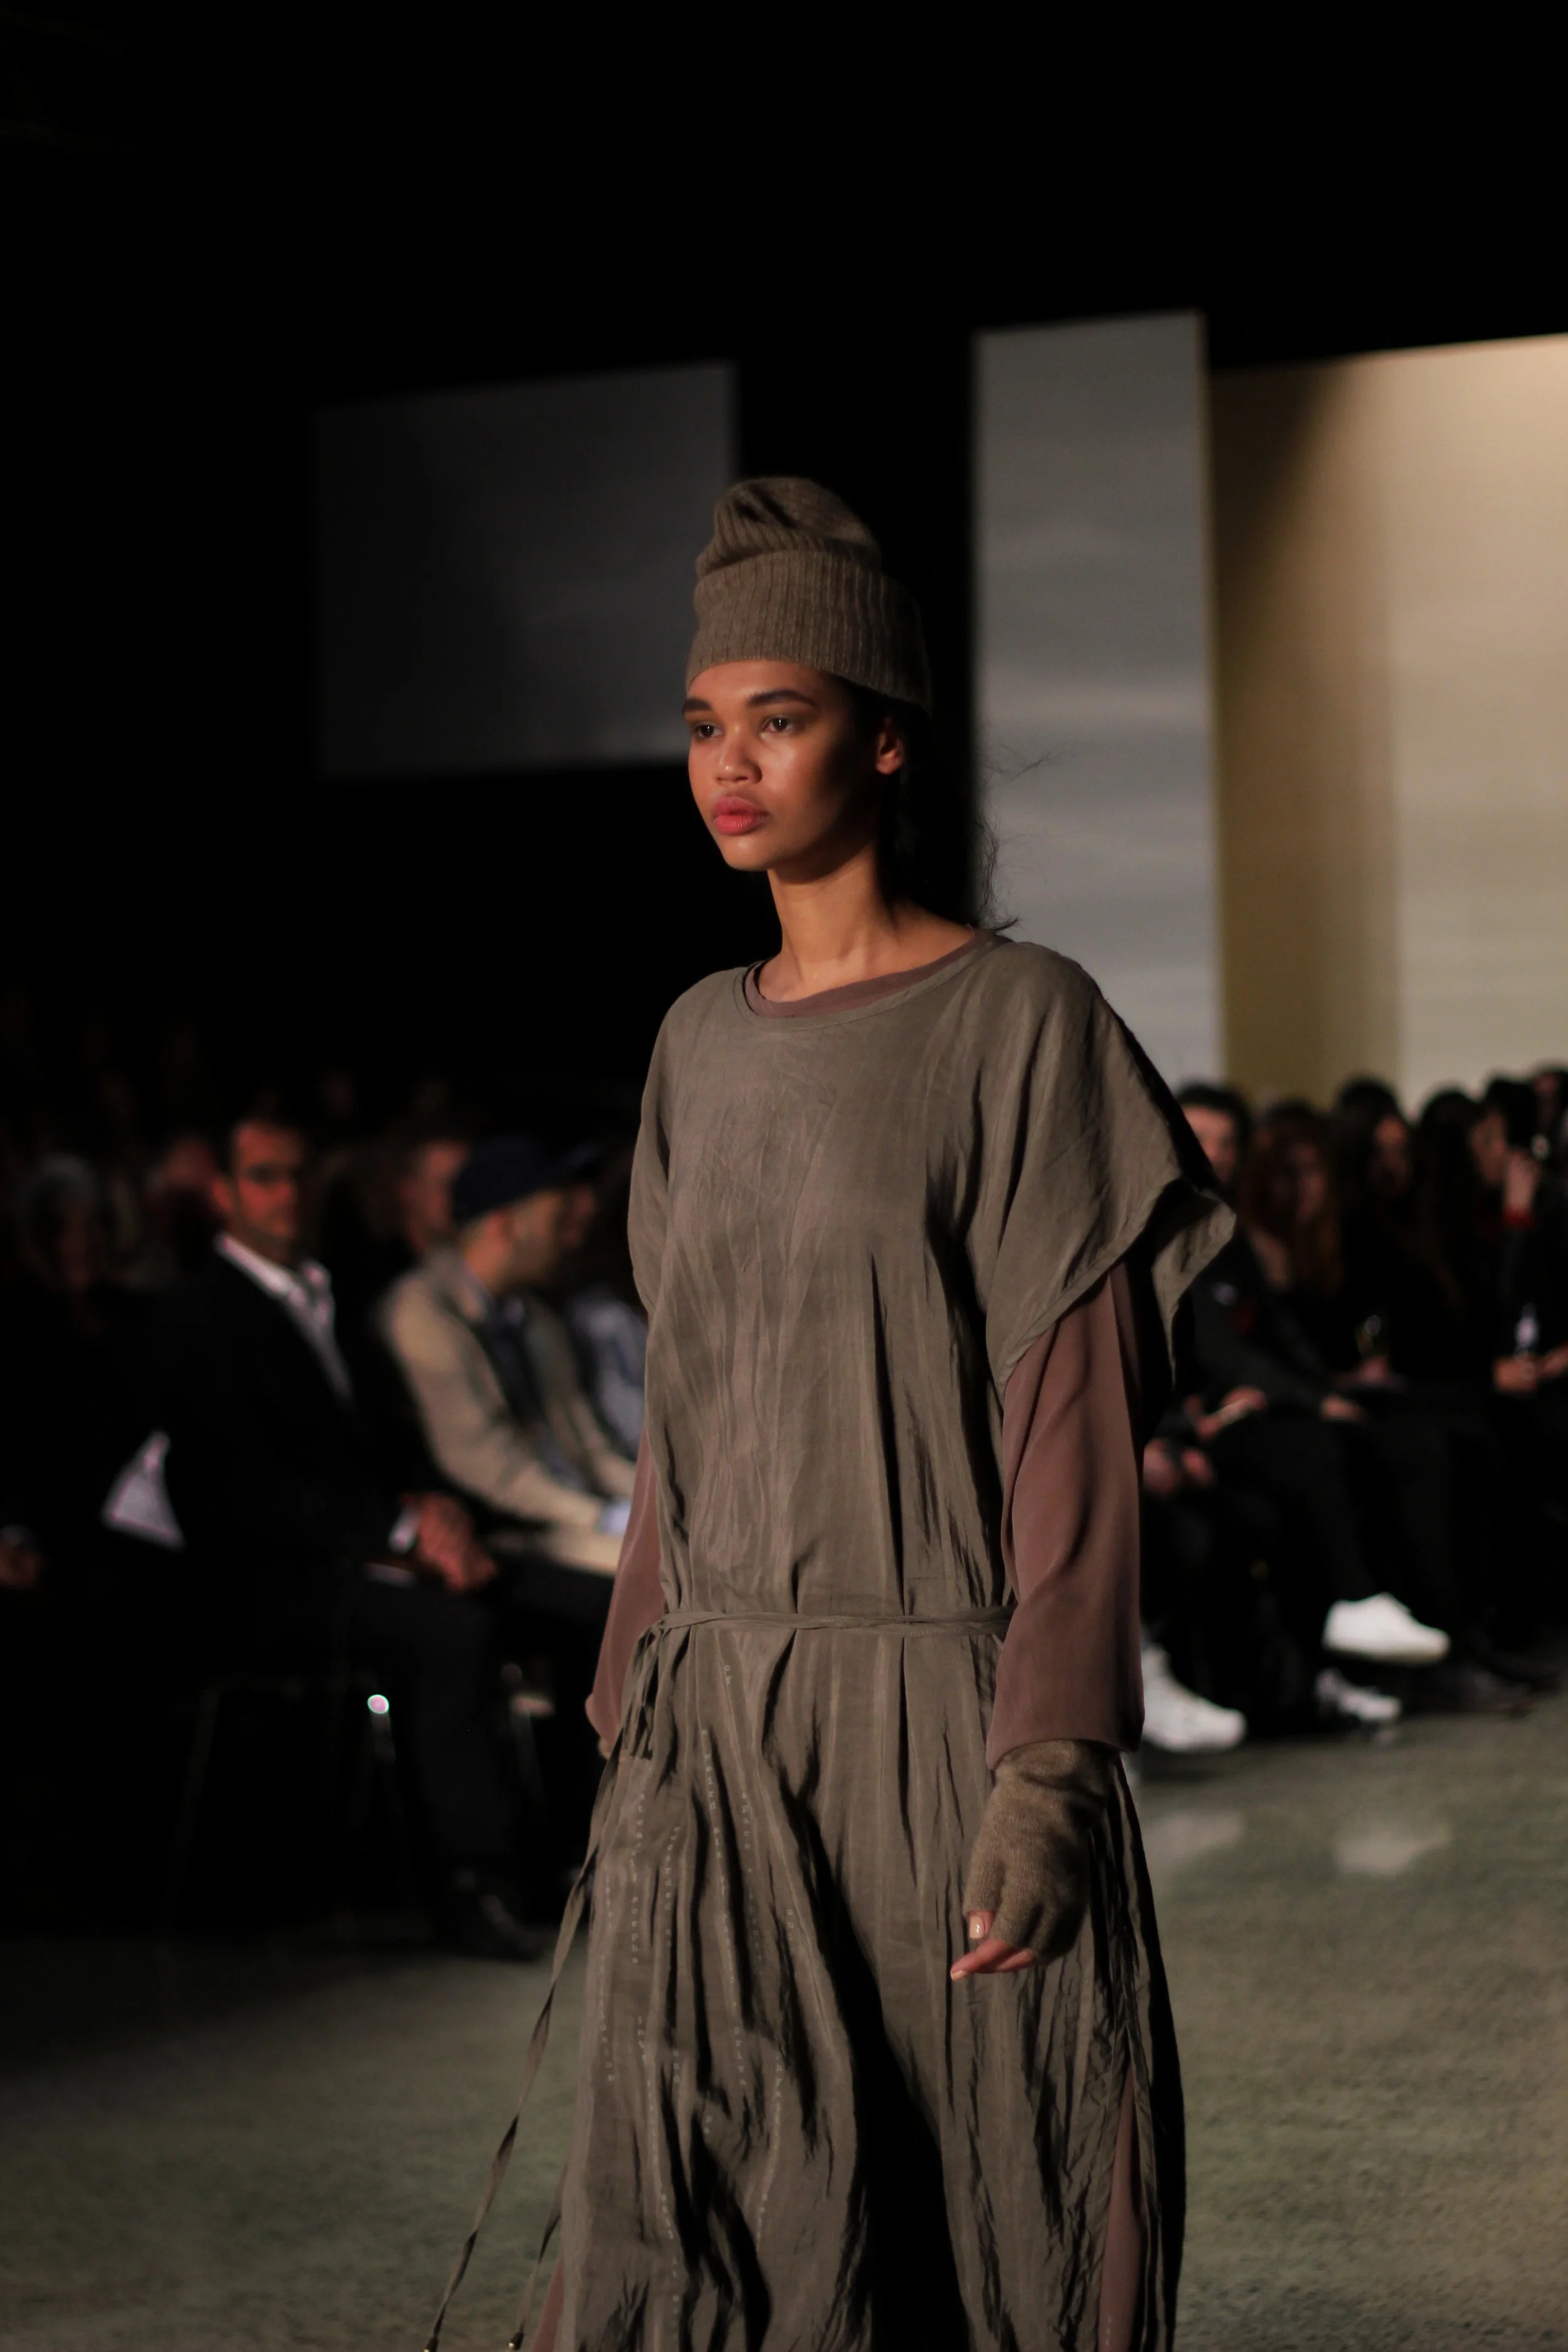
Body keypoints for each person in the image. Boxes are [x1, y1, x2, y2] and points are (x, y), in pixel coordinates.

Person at [434, 480, 1235, 2352]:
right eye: (703, 724)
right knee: (698, 2230)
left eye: (776, 718)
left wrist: (1049, 1769)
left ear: (882, 737)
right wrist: (632, 1715)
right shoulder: (694, 1042)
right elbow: (687, 1413)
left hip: (937, 1726)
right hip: (719, 1727)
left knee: (979, 2218)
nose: (728, 765)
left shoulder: (1020, 1022)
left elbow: (1069, 1428)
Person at [156, 1111, 541, 1958]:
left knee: (544, 1593)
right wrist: (403, 1531)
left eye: (299, 1175)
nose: (287, 1193)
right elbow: (247, 1493)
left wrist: (437, 1511)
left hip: (374, 1552)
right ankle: (474, 1884)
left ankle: (577, 1853)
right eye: (264, 1176)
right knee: (453, 1632)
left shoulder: (337, 1295)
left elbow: (397, 1439)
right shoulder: (198, 1316)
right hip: (275, 1582)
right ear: (223, 1193)